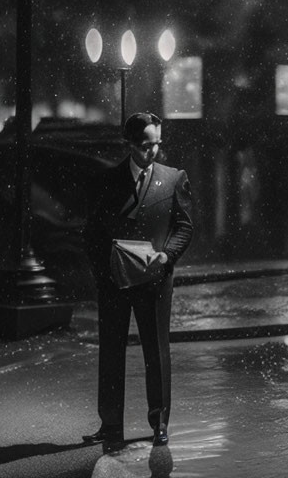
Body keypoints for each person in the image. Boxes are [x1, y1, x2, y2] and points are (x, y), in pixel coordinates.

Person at [82, 112, 193, 448]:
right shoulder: (108, 179)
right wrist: (104, 272)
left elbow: (185, 226)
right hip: (115, 279)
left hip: (156, 278)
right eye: (146, 145)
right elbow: (92, 231)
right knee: (110, 350)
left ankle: (159, 423)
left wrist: (167, 255)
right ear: (129, 144)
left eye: (158, 143)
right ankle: (110, 422)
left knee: (156, 351)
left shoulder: (173, 178)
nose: (153, 151)